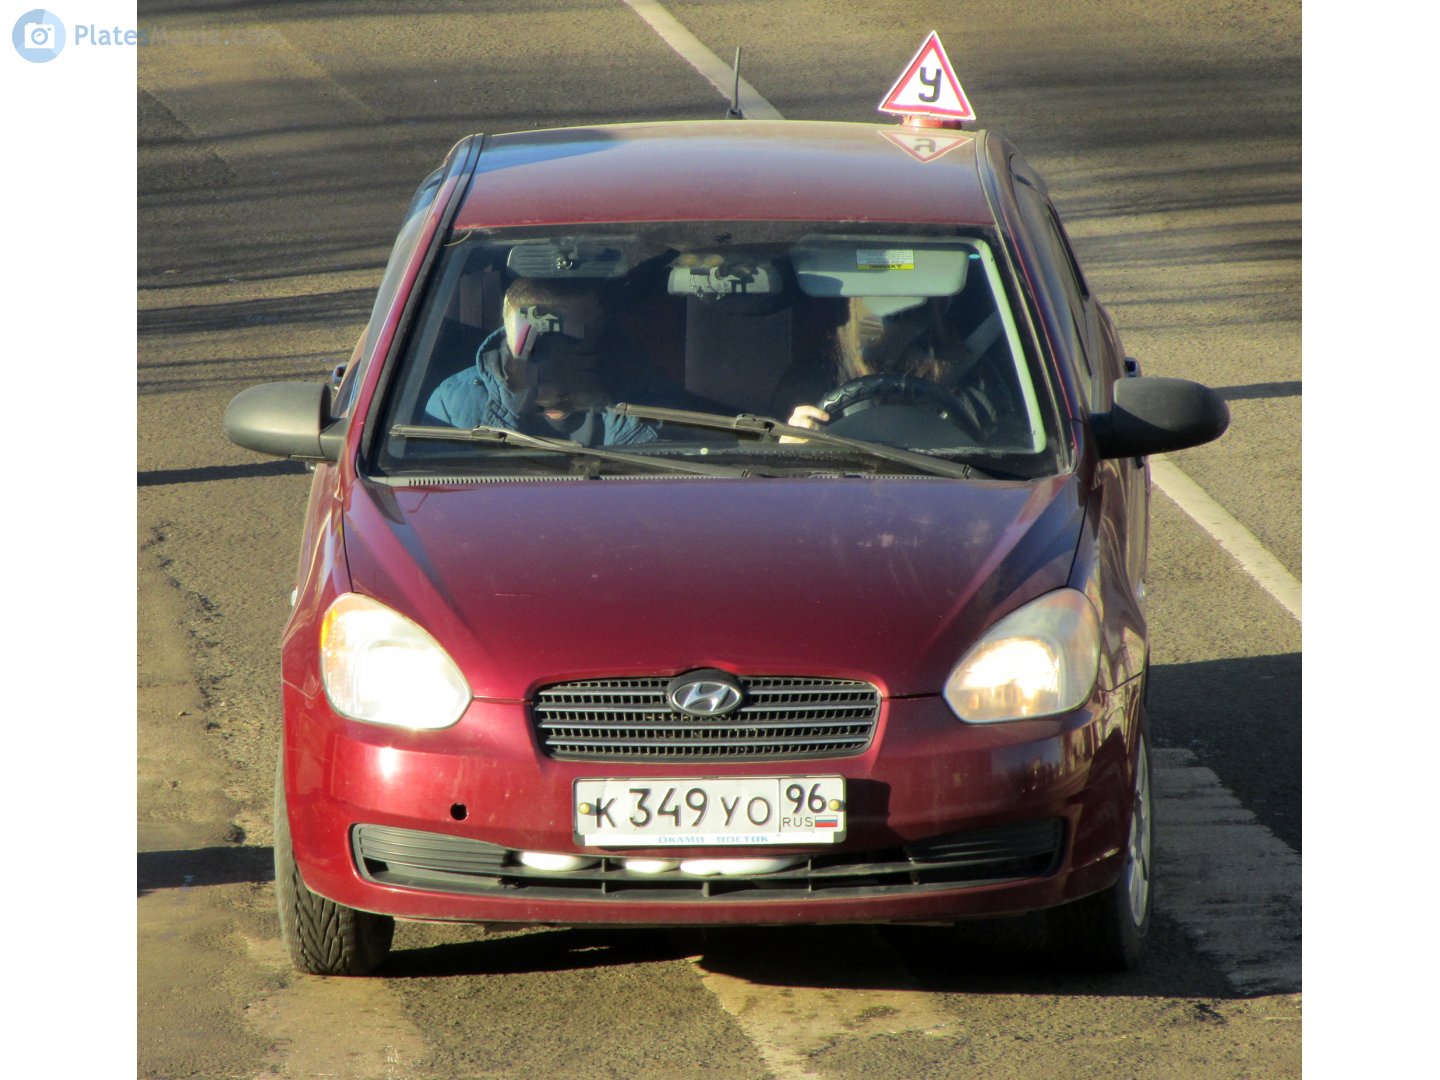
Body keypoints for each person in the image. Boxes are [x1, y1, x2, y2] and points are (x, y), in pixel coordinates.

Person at [425, 277, 658, 446]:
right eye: (537, 341)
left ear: (600, 339)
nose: (552, 354)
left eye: (570, 339)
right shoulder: (456, 407)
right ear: (510, 337)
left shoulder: (651, 404)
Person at [785, 294, 1020, 440]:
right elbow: (770, 478)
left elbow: (1010, 460)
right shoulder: (815, 377)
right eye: (875, 302)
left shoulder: (974, 380)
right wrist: (792, 450)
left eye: (906, 309)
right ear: (850, 310)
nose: (890, 319)